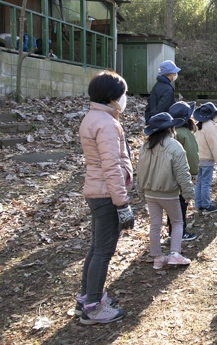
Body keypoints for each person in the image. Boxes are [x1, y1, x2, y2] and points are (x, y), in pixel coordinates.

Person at [77, 71, 134, 324]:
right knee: (103, 252)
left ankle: (87, 297)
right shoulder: (107, 123)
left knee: (95, 248)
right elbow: (111, 167)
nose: (125, 98)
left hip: (97, 190)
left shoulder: (93, 117)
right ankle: (93, 306)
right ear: (112, 97)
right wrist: (122, 204)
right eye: (123, 94)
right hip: (106, 194)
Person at [137, 112, 195, 270]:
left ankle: (157, 257)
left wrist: (141, 191)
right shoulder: (174, 146)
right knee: (177, 222)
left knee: (155, 224)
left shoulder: (145, 147)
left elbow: (139, 172)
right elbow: (183, 173)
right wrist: (188, 193)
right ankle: (175, 253)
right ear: (170, 128)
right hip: (169, 193)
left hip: (150, 192)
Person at [168, 101, 199, 240]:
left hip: (168, 175)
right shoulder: (186, 134)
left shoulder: (169, 132)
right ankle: (181, 232)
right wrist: (194, 173)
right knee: (182, 204)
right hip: (181, 174)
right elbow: (192, 155)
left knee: (171, 206)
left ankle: (171, 230)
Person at [193, 102, 217, 214]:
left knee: (199, 183)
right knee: (206, 183)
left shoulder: (198, 125)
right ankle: (206, 205)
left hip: (198, 159)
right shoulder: (209, 126)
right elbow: (214, 145)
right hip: (207, 159)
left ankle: (198, 204)